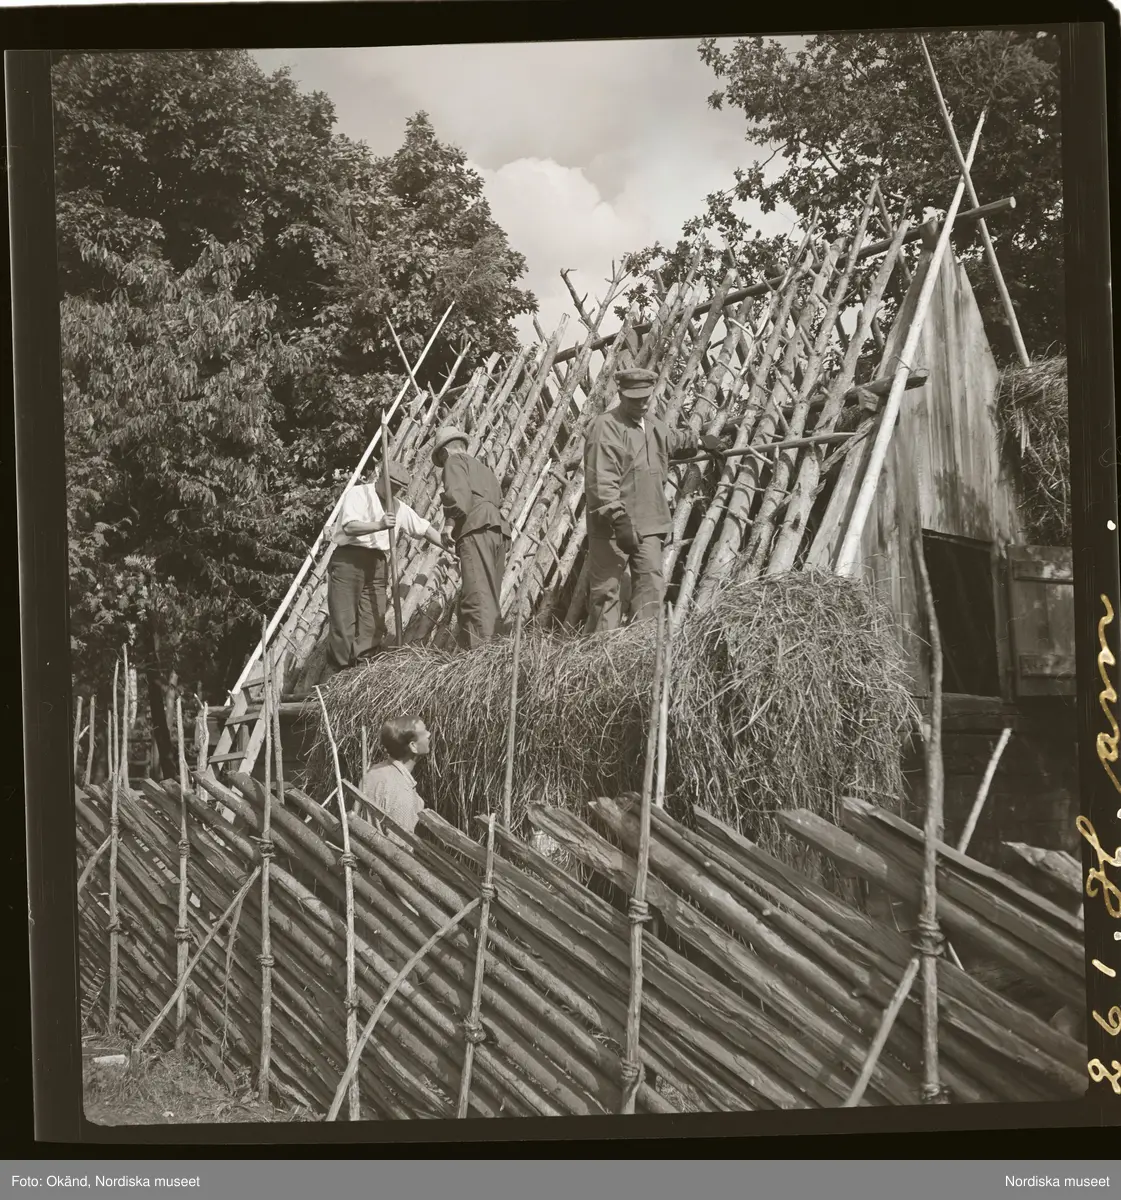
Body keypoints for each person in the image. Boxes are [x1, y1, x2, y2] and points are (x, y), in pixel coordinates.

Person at [583, 367, 726, 631]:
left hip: (648, 521)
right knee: (608, 591)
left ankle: (643, 644)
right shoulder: (605, 427)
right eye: (634, 399)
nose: (641, 404)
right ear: (621, 396)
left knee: (650, 586)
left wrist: (702, 441)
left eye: (645, 398)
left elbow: (672, 440)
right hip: (613, 525)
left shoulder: (651, 423)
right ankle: (604, 648)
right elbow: (601, 479)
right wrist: (618, 518)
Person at [326, 461, 445, 677]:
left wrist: (450, 547)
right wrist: (379, 525)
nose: (394, 491)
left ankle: (362, 669)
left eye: (398, 488)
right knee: (343, 619)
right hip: (349, 559)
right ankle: (340, 671)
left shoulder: (397, 507)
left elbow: (424, 528)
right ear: (379, 476)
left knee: (373, 618)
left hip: (377, 563)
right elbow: (349, 526)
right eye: (391, 485)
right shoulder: (358, 494)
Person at [431, 426, 512, 650]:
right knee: (490, 595)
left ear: (444, 452)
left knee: (477, 596)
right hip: (497, 530)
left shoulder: (453, 462)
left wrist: (449, 525)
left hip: (476, 528)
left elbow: (458, 496)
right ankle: (495, 649)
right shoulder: (484, 470)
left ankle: (483, 655)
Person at [354, 716, 432, 845]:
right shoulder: (404, 795)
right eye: (424, 733)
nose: (429, 734)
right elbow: (400, 849)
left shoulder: (374, 772)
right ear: (413, 746)